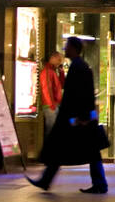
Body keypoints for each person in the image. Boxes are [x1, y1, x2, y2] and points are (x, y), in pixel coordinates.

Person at [27, 36, 108, 193]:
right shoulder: (80, 66)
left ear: (74, 49)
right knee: (88, 150)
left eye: (67, 47)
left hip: (75, 118)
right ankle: (98, 183)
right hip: (78, 117)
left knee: (63, 148)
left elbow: (79, 94)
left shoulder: (78, 67)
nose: (65, 50)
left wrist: (79, 117)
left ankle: (47, 179)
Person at [39, 50, 64, 133]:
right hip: (50, 106)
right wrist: (52, 105)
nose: (59, 62)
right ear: (52, 58)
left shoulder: (52, 71)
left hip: (53, 105)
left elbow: (60, 85)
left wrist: (61, 72)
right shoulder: (47, 71)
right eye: (58, 59)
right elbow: (46, 89)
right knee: (52, 131)